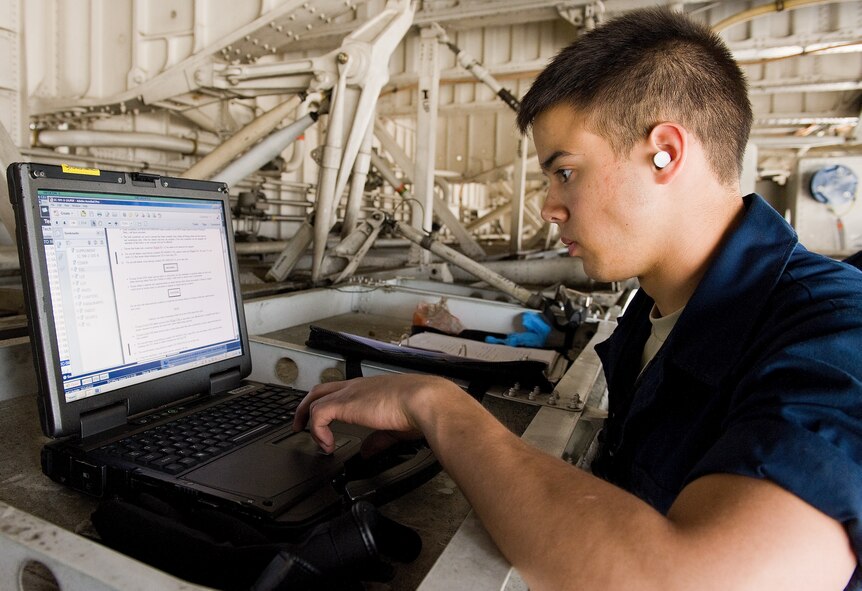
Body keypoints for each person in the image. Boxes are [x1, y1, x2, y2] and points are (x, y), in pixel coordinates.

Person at [294, 7, 862, 590]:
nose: (548, 206)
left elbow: (695, 579)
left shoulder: (835, 332)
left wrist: (438, 407)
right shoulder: (652, 313)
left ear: (664, 152)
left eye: (564, 172)